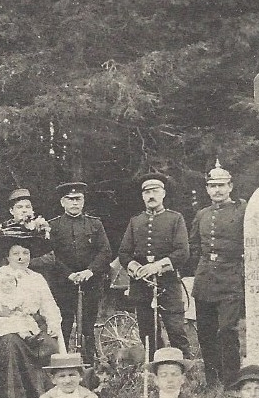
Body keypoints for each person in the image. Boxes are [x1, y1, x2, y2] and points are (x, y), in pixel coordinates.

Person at [0, 233, 65, 398]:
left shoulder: (37, 278)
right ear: (7, 257)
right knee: (12, 342)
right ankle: (14, 395)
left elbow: (48, 304)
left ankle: (45, 391)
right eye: (16, 254)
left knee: (49, 344)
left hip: (31, 324)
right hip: (3, 326)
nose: (21, 258)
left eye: (25, 253)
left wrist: (53, 323)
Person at [38, 182, 113, 365]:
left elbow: (105, 251)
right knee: (63, 324)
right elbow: (51, 255)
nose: (74, 203)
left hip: (90, 283)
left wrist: (90, 271)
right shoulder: (53, 226)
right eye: (70, 199)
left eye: (78, 199)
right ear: (62, 202)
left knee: (88, 326)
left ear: (83, 201)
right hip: (63, 284)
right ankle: (61, 363)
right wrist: (68, 274)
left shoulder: (95, 224)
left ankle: (89, 364)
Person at [118, 173, 191, 358]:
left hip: (168, 285)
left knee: (176, 330)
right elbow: (124, 253)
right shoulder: (135, 221)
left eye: (155, 191)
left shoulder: (175, 219)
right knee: (147, 332)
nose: (151, 196)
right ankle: (154, 368)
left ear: (163, 194)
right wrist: (137, 268)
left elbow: (182, 252)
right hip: (142, 286)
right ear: (142, 196)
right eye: (147, 192)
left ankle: (184, 368)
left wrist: (157, 266)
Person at [188, 160, 246, 385]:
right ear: (207, 189)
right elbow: (193, 246)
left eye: (222, 185)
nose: (217, 190)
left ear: (230, 186)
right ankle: (212, 381)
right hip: (205, 280)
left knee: (227, 330)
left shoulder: (241, 210)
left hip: (230, 277)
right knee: (205, 332)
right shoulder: (202, 214)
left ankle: (231, 381)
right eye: (213, 186)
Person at [0, 188, 51, 271]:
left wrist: (24, 261)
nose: (24, 210)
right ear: (11, 211)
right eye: (19, 207)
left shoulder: (41, 228)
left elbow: (49, 258)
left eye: (28, 207)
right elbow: (0, 258)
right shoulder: (3, 229)